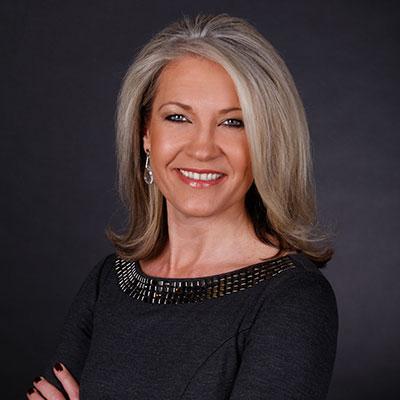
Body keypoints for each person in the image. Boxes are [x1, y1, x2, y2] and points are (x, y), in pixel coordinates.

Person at [26, 13, 338, 399]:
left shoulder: (293, 299)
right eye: (178, 117)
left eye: (233, 122)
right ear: (145, 133)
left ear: (266, 142)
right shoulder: (109, 282)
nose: (202, 149)